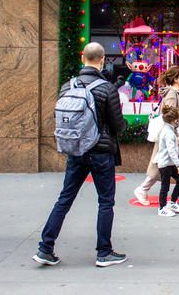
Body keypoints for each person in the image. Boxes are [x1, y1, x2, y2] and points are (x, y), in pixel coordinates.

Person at [33, 42, 128, 268]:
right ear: (102, 59)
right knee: (105, 201)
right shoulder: (107, 88)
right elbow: (117, 125)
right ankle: (104, 252)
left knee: (64, 199)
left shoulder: (67, 86)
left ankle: (45, 248)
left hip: (76, 151)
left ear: (82, 58)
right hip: (101, 152)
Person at [134, 66, 179, 207]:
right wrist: (177, 133)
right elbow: (169, 116)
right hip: (176, 135)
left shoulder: (177, 93)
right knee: (167, 163)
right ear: (175, 78)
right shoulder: (173, 94)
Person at [155, 105, 179, 217]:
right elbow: (171, 151)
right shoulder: (168, 132)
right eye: (177, 119)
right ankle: (162, 208)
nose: (178, 121)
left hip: (170, 163)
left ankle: (172, 202)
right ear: (173, 120)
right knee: (165, 186)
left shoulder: (169, 129)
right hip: (166, 164)